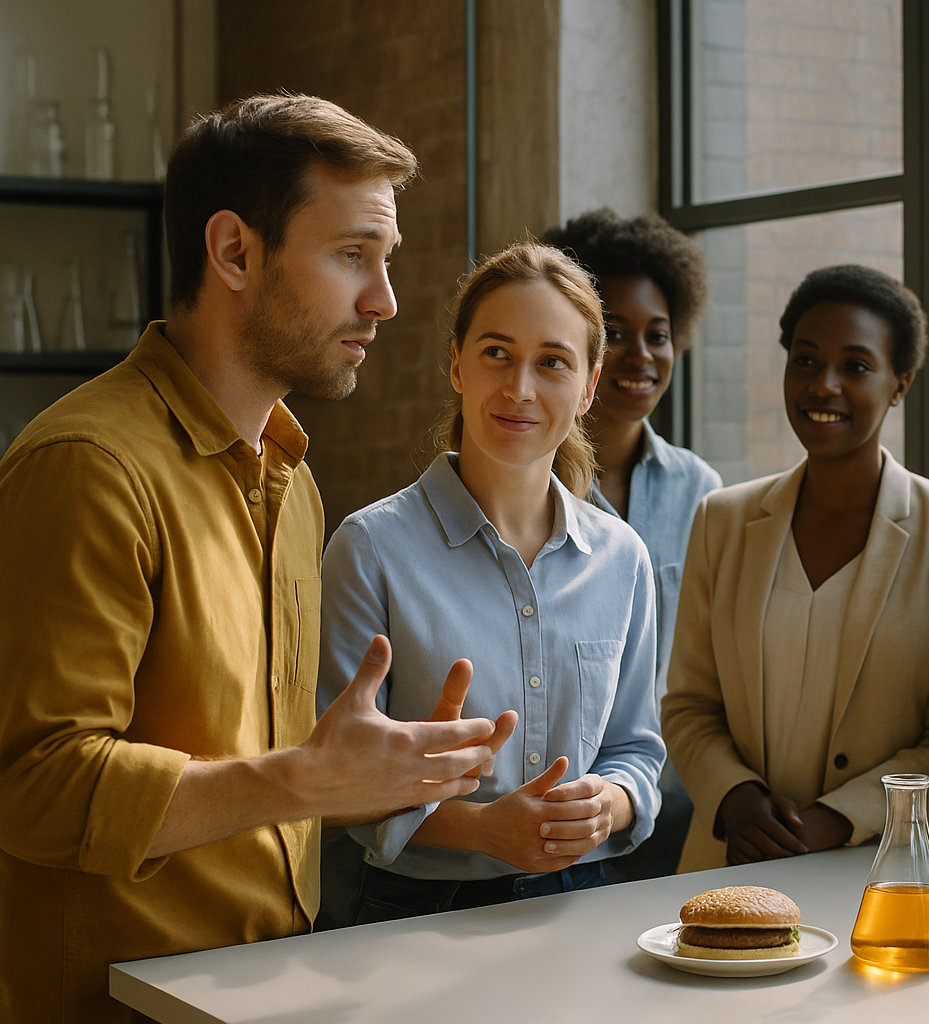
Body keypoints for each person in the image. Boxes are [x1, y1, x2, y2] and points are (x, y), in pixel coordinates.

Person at [0, 94, 511, 1023]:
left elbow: (264, 776)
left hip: (262, 993)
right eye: (353, 255)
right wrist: (305, 779)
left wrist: (373, 779)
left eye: (384, 261)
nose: (386, 300)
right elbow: (33, 787)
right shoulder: (87, 467)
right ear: (234, 252)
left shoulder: (293, 480)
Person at [318, 241, 665, 922]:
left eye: (553, 363)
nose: (521, 389)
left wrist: (609, 804)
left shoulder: (622, 556)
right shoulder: (370, 548)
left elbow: (634, 749)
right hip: (415, 909)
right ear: (456, 363)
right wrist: (481, 830)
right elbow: (334, 780)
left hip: (579, 903)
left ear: (590, 385)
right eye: (497, 354)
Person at [662, 265, 929, 870]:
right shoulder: (723, 520)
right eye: (805, 360)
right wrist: (736, 799)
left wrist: (834, 821)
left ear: (900, 383)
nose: (824, 385)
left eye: (856, 366)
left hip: (901, 868)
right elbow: (689, 705)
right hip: (737, 860)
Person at [543, 208, 720, 880]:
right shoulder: (513, 486)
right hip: (550, 815)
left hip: (670, 817)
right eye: (615, 333)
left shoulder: (700, 489)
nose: (642, 356)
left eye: (659, 335)